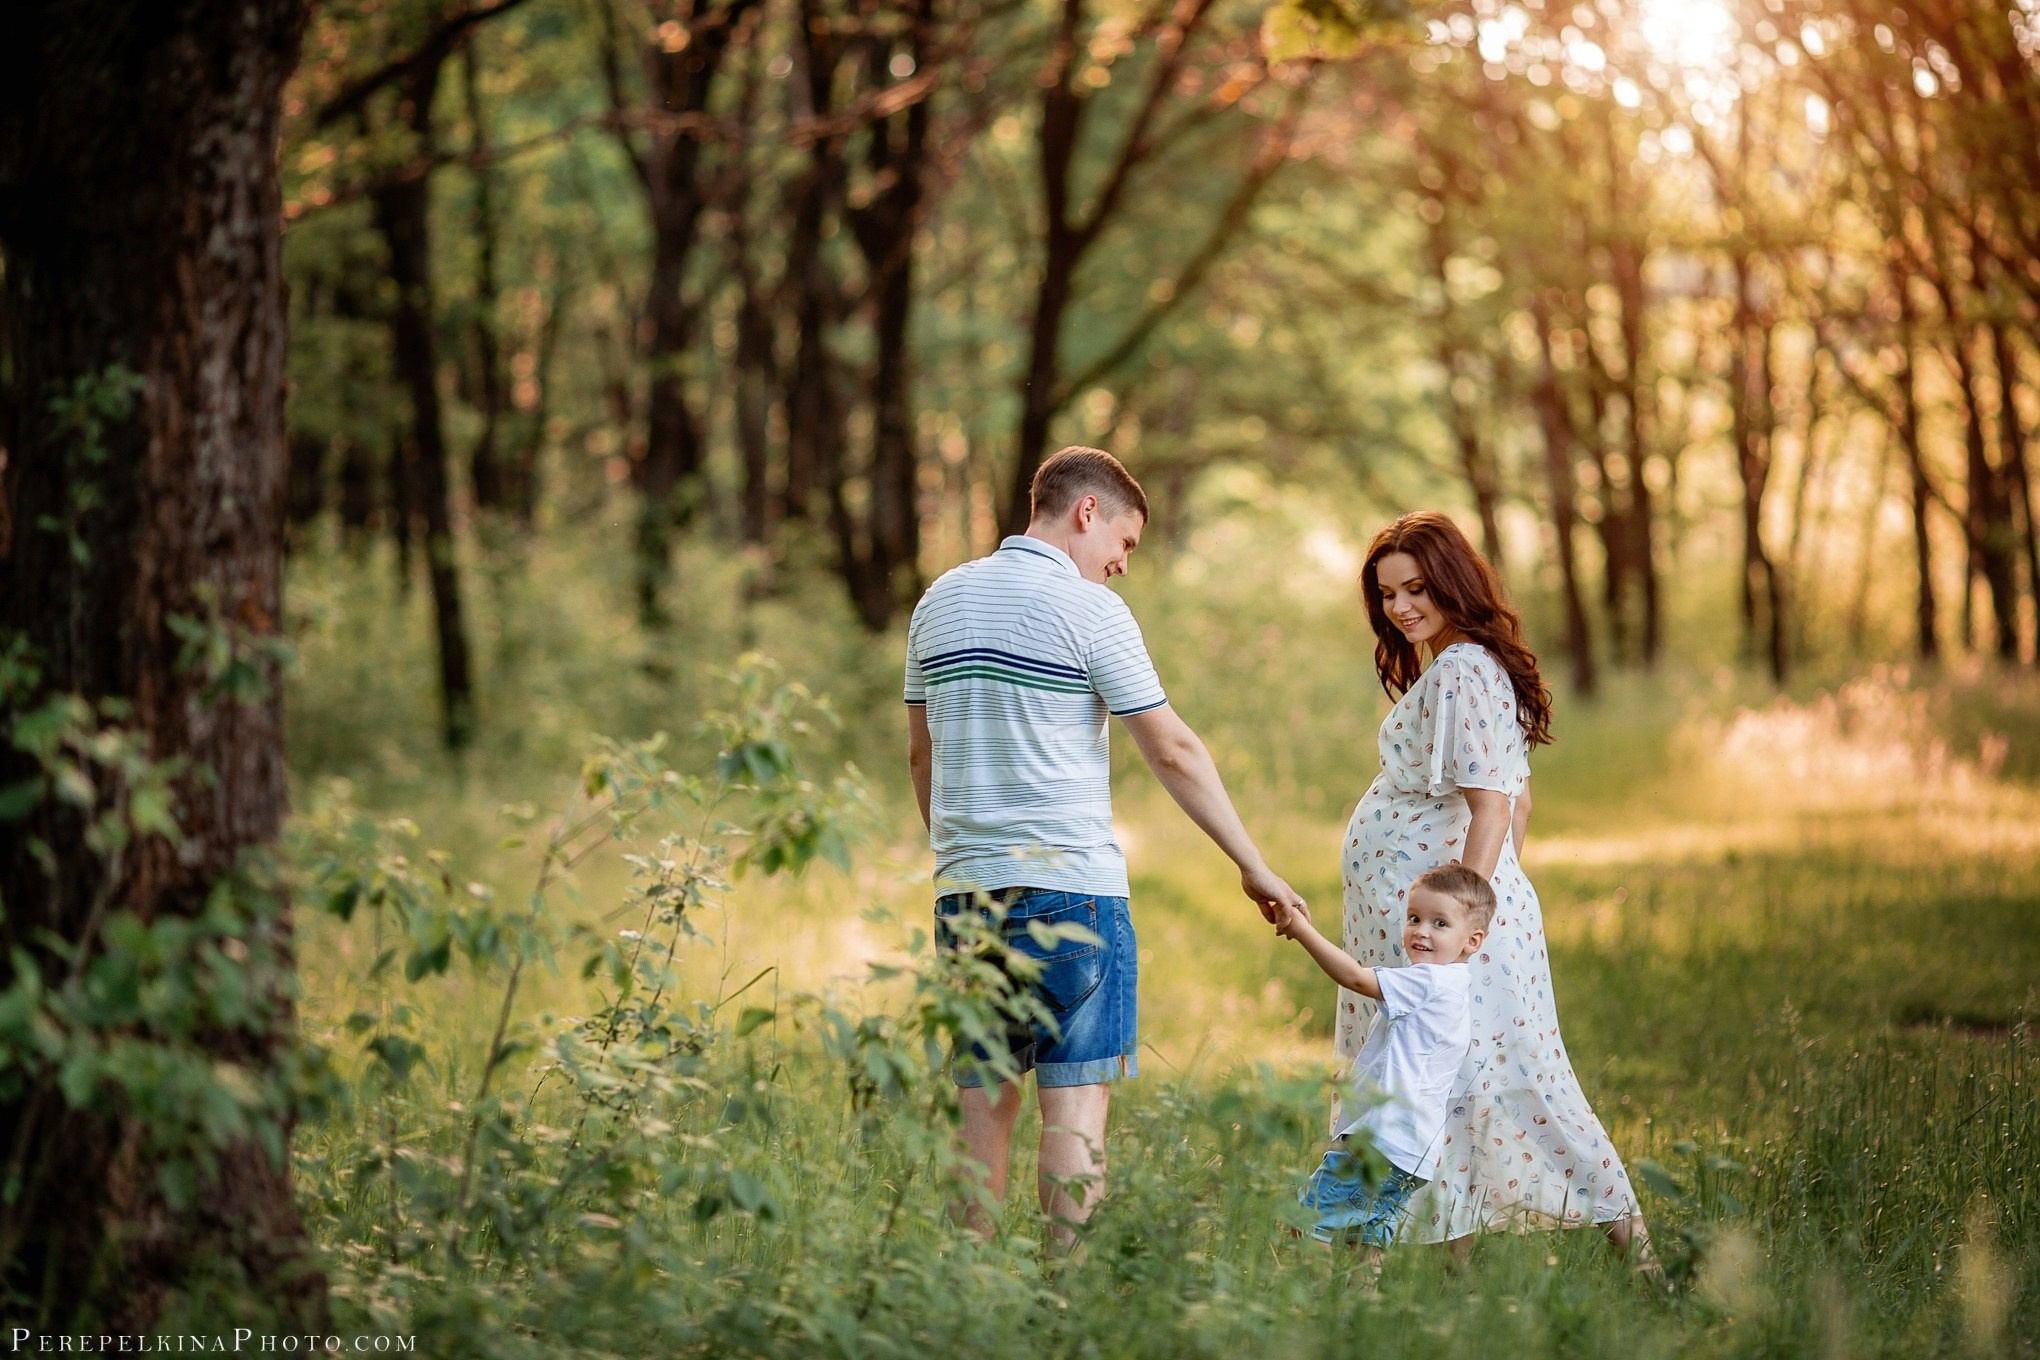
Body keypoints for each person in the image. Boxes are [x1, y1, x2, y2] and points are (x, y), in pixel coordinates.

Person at [905, 445, 1306, 1250]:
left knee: (982, 1104)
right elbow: (1174, 750)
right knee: (1076, 1107)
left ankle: (963, 1287)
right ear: (1086, 511)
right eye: (1124, 541)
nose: (1122, 564)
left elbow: (923, 756)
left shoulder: (937, 601)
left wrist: (964, 856)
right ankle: (1068, 1297)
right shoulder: (1092, 611)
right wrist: (1252, 864)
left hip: (966, 895)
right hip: (1073, 895)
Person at [1335, 510, 1655, 1263]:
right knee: (1452, 1084)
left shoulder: (1462, 668)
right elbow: (1522, 802)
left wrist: (1459, 929)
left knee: (1512, 1085)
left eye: (1417, 589)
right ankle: (1457, 1277)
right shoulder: (1462, 666)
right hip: (1445, 924)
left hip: (1446, 932)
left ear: (1453, 583)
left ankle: (1641, 1260)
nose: (1401, 607)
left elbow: (1494, 807)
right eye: (1388, 594)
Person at [1275, 863, 1493, 1266]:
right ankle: (1362, 1302)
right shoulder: (1456, 987)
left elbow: (1357, 979)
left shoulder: (1428, 981)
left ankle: (1311, 1302)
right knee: (1364, 1243)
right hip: (1414, 1156)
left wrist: (1301, 929)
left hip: (1381, 1141)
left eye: (1440, 923)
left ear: (1472, 940)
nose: (1421, 931)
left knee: (1304, 1222)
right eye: (1414, 918)